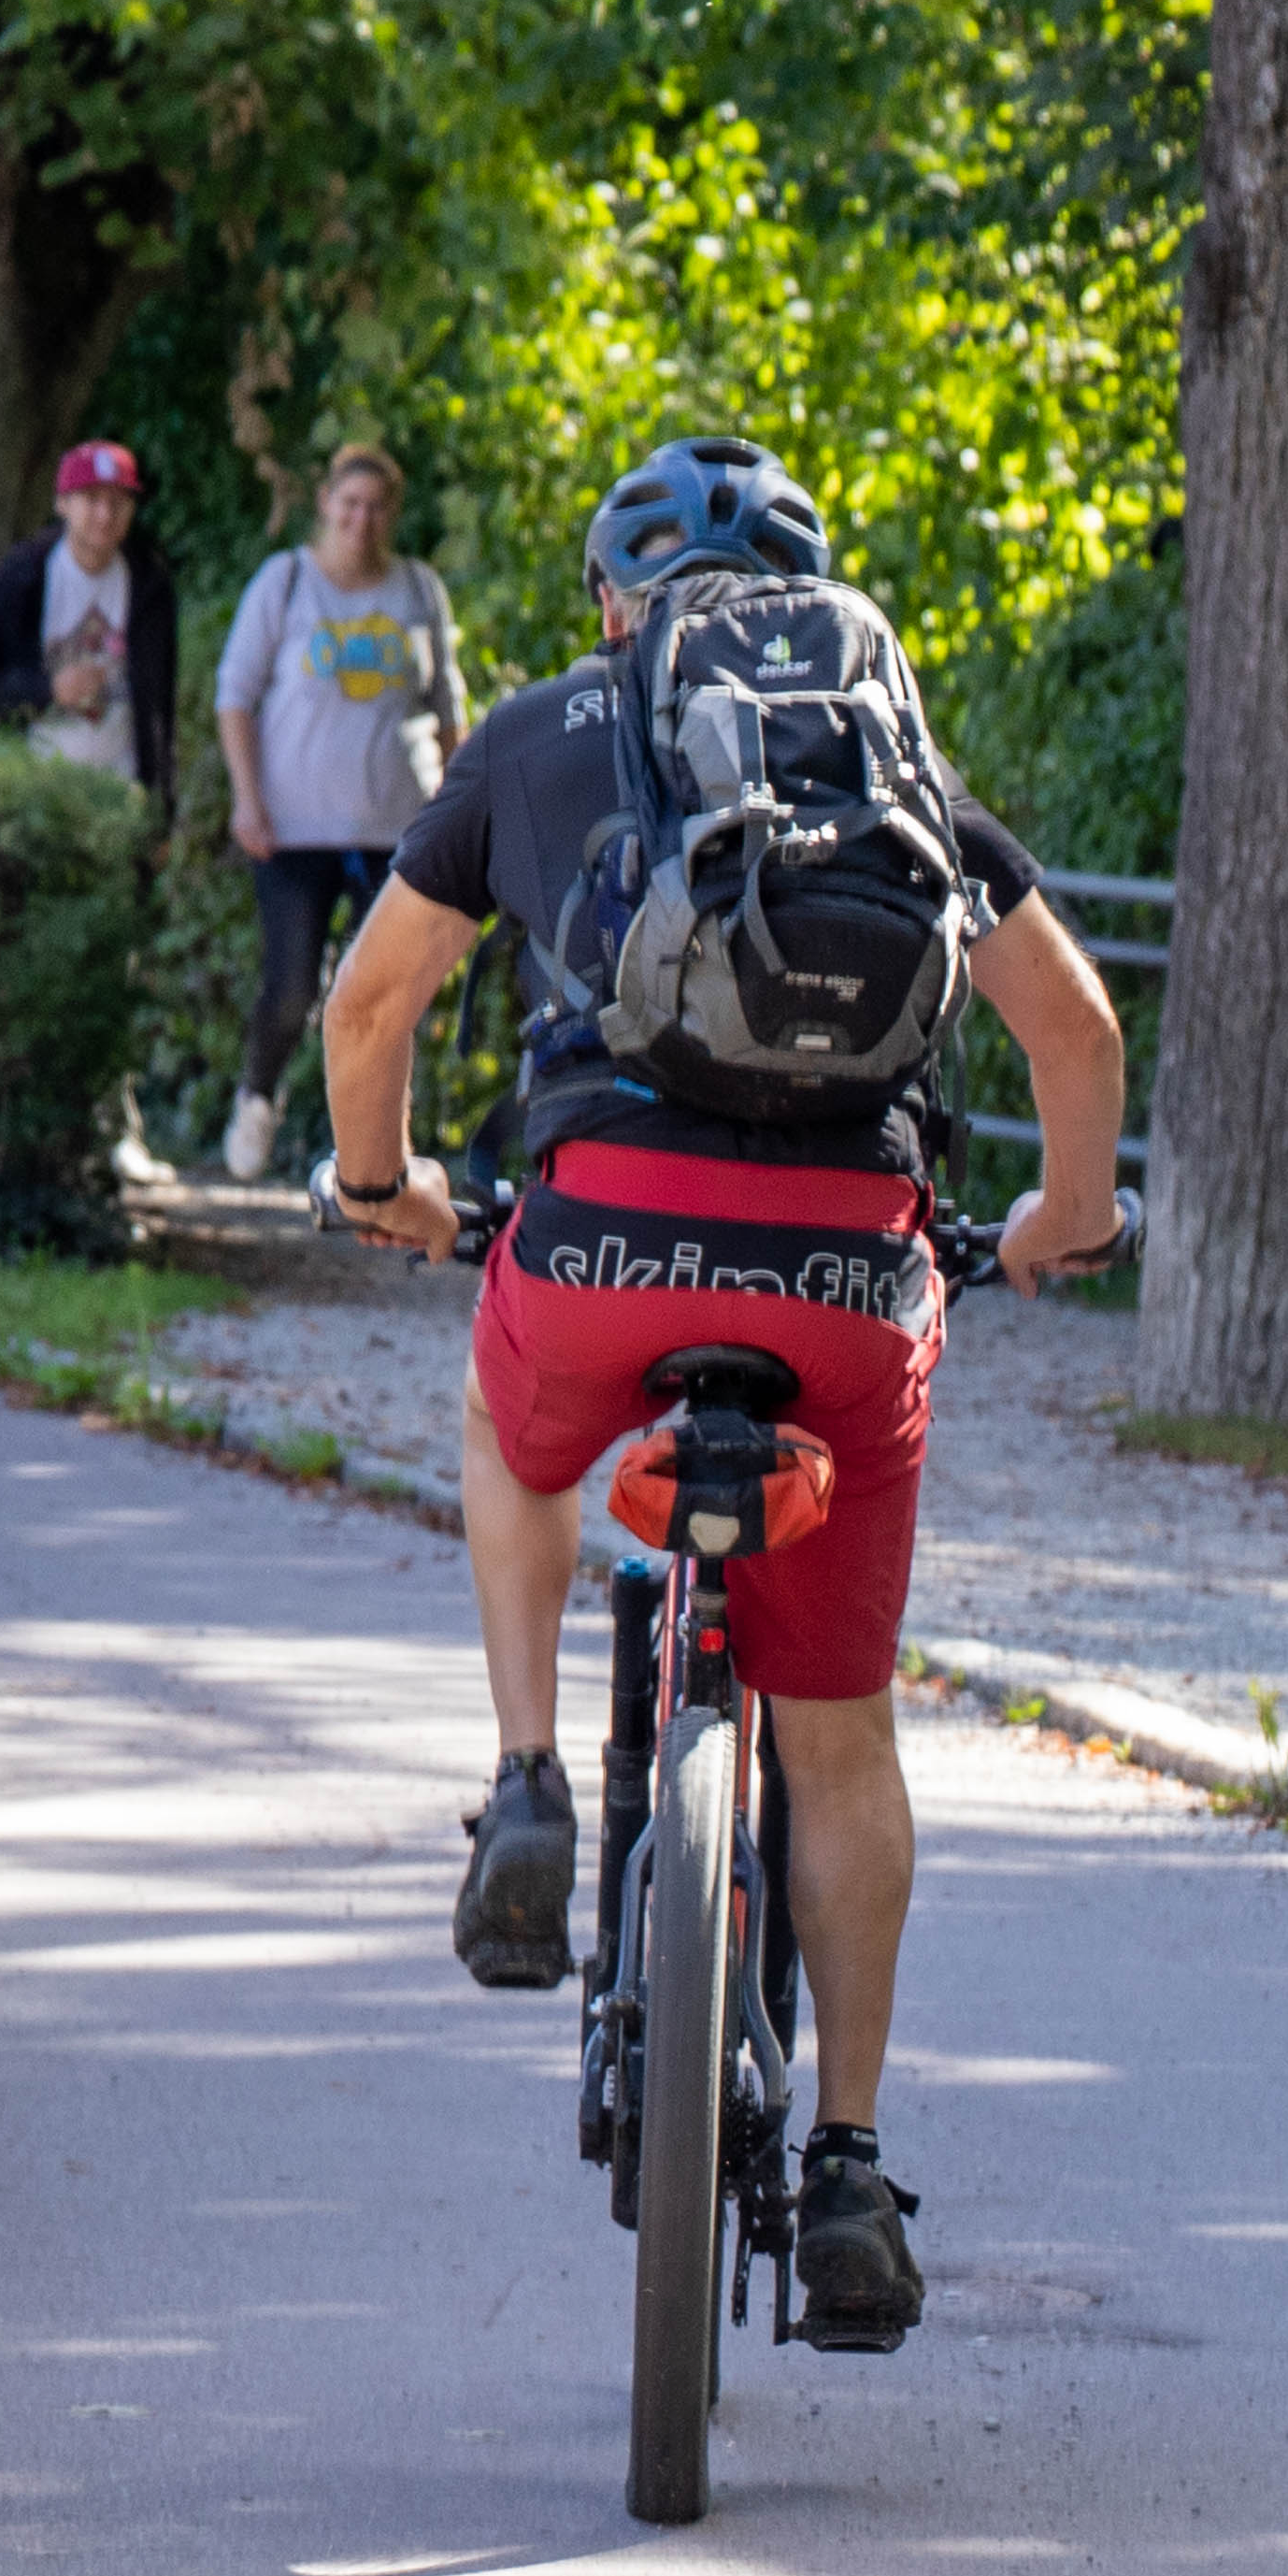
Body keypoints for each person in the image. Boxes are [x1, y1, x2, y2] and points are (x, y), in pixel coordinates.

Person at [320, 434, 1129, 2351]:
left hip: (604, 1229)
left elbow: (371, 1006)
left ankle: (527, 1781)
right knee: (839, 1737)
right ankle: (846, 2156)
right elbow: (1079, 1026)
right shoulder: (886, 752)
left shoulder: (539, 732)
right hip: (856, 1270)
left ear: (613, 601)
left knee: (511, 1433)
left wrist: (385, 1185)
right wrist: (1058, 1219)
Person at [206, 443, 465, 1182]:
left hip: (397, 830)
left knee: (387, 995)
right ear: (324, 503)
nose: (362, 520)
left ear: (393, 514)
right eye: (350, 504)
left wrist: (457, 808)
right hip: (294, 833)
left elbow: (449, 705)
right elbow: (235, 695)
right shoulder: (285, 582)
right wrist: (246, 800)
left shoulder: (419, 588)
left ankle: (372, 1152)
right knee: (293, 988)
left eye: (377, 507)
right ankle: (257, 1099)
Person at [0, 439, 180, 812]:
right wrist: (47, 689)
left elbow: (160, 703)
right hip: (32, 798)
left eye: (118, 502)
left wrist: (163, 801)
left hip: (123, 795)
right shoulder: (18, 579)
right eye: (91, 499)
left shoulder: (150, 583)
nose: (105, 515)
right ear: (62, 504)